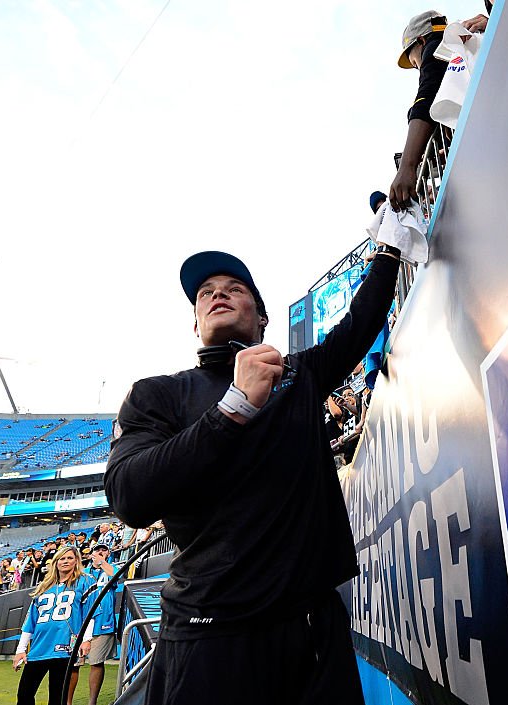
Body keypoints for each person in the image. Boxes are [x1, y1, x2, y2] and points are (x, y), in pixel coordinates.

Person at [105, 245, 401, 704]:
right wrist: (232, 409)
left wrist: (389, 245)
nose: (217, 294)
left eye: (234, 288)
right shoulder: (157, 395)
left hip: (314, 636)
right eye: (206, 292)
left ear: (262, 319)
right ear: (196, 322)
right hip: (210, 640)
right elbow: (129, 496)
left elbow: (361, 320)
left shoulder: (298, 376)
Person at [13, 545, 95, 705]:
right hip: (38, 648)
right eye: (62, 558)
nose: (65, 561)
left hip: (64, 648)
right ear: (55, 562)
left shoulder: (85, 580)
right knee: (24, 695)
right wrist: (20, 650)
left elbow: (90, 612)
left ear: (77, 560)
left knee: (57, 698)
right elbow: (30, 622)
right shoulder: (44, 586)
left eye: (70, 558)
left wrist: (87, 639)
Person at [389, 11, 449, 211]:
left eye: (414, 62)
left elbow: (427, 98)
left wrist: (407, 166)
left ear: (421, 40)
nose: (418, 68)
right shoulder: (458, 42)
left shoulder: (435, 47)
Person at [68, 544, 117, 705]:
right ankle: (67, 702)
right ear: (90, 554)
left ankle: (92, 702)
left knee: (97, 662)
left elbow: (116, 577)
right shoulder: (83, 573)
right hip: (79, 625)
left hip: (103, 622)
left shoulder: (111, 568)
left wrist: (102, 562)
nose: (100, 552)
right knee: (73, 665)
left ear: (108, 553)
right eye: (96, 550)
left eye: (103, 550)